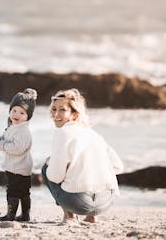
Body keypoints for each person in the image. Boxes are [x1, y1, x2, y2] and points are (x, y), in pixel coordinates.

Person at [42, 88, 123, 224]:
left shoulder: (62, 133)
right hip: (105, 203)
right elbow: (118, 167)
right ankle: (92, 217)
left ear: (74, 114)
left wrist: (57, 165)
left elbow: (56, 177)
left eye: (62, 110)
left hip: (79, 203)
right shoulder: (93, 134)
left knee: (47, 167)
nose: (56, 114)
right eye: (54, 109)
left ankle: (69, 216)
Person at [0, 88, 37, 222]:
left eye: (22, 112)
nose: (17, 114)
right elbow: (9, 138)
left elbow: (17, 148)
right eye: (14, 110)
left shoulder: (23, 131)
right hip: (20, 167)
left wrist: (1, 145)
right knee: (23, 192)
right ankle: (24, 215)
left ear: (28, 116)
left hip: (17, 168)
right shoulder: (14, 127)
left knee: (13, 191)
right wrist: (0, 139)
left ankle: (11, 215)